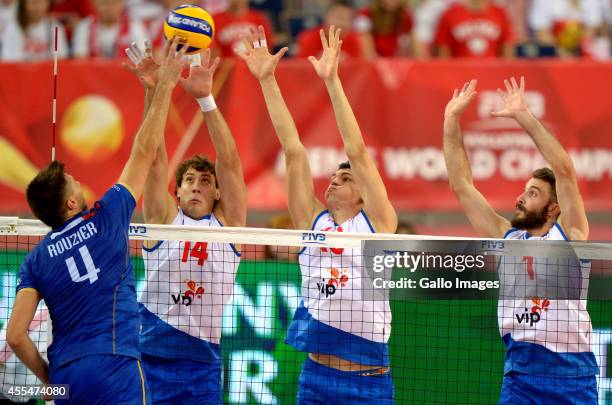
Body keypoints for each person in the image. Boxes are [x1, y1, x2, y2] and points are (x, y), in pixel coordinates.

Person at [6, 38, 187, 404]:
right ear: (72, 202)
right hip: (115, 361)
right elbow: (146, 150)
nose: (79, 180)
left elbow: (15, 336)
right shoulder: (107, 216)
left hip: (67, 374)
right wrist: (162, 87)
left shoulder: (36, 259)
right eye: (74, 180)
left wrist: (50, 381)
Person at [237, 25, 397, 404]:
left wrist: (332, 81)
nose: (333, 181)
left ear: (362, 193)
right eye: (333, 176)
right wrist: (266, 81)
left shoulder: (377, 224)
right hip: (315, 379)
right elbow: (293, 150)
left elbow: (357, 151)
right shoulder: (313, 222)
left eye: (345, 178)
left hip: (368, 384)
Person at [443, 77, 598, 404]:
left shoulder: (570, 235)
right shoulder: (506, 239)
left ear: (554, 207)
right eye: (524, 190)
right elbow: (461, 185)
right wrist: (451, 120)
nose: (520, 197)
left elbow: (565, 171)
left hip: (572, 376)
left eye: (533, 193)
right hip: (521, 375)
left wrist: (524, 117)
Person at [125, 42, 247, 404]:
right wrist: (154, 88)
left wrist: (206, 99)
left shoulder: (230, 228)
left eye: (205, 181)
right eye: (189, 181)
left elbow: (230, 159)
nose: (196, 185)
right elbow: (153, 154)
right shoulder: (163, 219)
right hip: (148, 356)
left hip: (201, 363)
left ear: (218, 194)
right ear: (176, 192)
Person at [433, 0, 514, 58]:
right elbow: (443, 55)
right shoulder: (450, 15)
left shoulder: (500, 14)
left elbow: (508, 54)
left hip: (492, 75)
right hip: (459, 76)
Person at [72, 0, 147, 58]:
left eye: (114, 3)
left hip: (125, 74)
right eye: (105, 3)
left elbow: (143, 56)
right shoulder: (85, 26)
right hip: (93, 75)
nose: (110, 8)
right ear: (95, 4)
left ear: (122, 4)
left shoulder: (134, 25)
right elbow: (80, 59)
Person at [0, 0, 68, 61]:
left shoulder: (56, 29)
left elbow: (60, 61)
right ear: (24, 4)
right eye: (34, 2)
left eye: (43, 2)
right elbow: (9, 62)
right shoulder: (13, 28)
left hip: (47, 74)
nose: (39, 7)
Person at [295, 0, 363, 58]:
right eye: (339, 18)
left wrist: (347, 61)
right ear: (326, 17)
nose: (343, 23)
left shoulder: (354, 39)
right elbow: (299, 67)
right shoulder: (308, 38)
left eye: (348, 19)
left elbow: (361, 67)